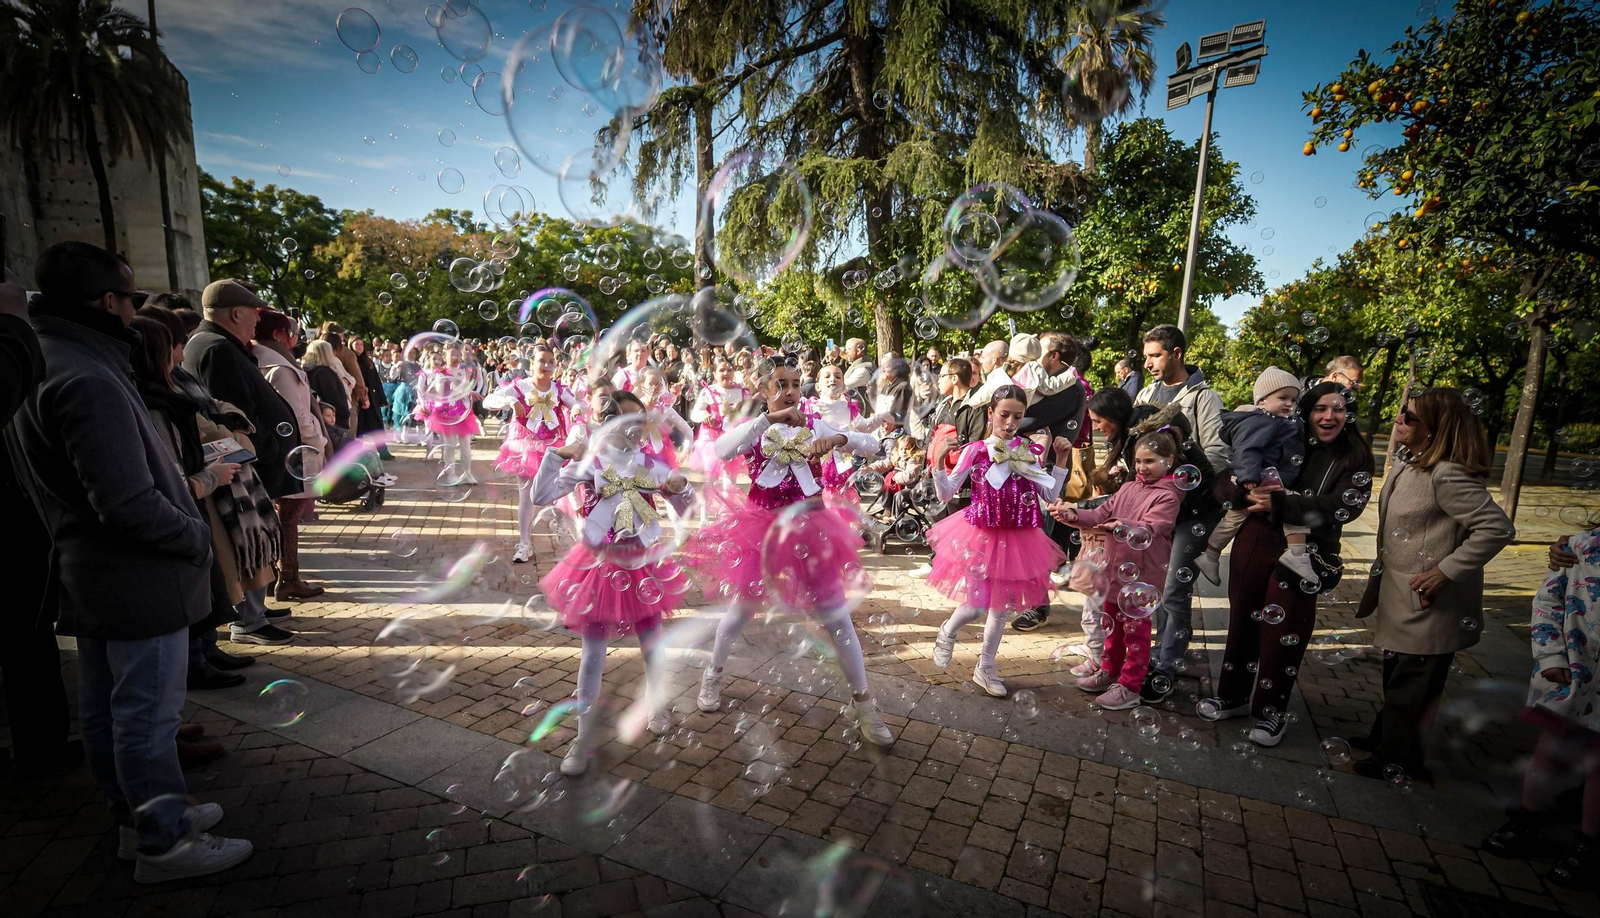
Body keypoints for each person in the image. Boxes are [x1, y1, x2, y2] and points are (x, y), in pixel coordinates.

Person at [9, 242, 252, 881]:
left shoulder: (50, 359)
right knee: (145, 715)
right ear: (108, 302)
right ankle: (163, 843)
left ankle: (137, 819)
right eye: (130, 295)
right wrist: (192, 537)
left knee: (111, 709)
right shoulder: (86, 375)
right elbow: (125, 501)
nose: (134, 308)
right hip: (133, 575)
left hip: (96, 571)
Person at [682, 360, 891, 745]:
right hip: (762, 534)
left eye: (796, 384)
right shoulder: (756, 430)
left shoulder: (815, 425)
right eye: (780, 384)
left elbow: (872, 444)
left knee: (836, 617)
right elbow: (723, 448)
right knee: (741, 610)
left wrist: (841, 440)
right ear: (764, 391)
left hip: (813, 532)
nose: (790, 390)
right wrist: (765, 420)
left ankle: (864, 704)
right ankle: (713, 673)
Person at [1195, 382, 1374, 746]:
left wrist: (1278, 506)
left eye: (1338, 409)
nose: (1329, 416)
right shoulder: (1279, 431)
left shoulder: (1354, 456)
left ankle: (1271, 712)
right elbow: (1223, 481)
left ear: (1348, 414)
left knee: (1282, 633)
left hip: (1303, 554)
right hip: (1255, 542)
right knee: (1243, 620)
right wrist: (1243, 494)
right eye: (1320, 408)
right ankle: (1232, 696)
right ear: (1306, 412)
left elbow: (1345, 506)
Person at [528, 392, 693, 775]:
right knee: (593, 652)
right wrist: (558, 454)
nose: (633, 428)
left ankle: (657, 703)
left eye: (639, 420)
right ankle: (582, 738)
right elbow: (540, 494)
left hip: (642, 562)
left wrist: (680, 488)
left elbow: (685, 505)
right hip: (599, 563)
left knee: (652, 641)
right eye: (623, 420)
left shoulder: (652, 465)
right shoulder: (591, 463)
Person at [1354, 387, 1513, 780]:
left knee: (1414, 681)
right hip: (1402, 591)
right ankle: (1385, 737)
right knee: (1399, 673)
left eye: (1410, 418)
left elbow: (1497, 528)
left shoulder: (1447, 473)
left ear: (1435, 429)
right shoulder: (1413, 463)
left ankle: (1397, 758)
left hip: (1427, 598)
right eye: (1400, 413)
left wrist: (1446, 571)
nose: (1399, 421)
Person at [927, 386, 1071, 697]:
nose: (1010, 421)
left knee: (1001, 608)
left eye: (1017, 416)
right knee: (976, 605)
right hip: (982, 535)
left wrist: (1060, 460)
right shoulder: (976, 450)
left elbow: (1049, 493)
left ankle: (986, 668)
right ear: (991, 413)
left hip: (1019, 536)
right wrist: (939, 463)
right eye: (1004, 414)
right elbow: (945, 494)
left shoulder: (1028, 451)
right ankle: (947, 632)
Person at [1482, 516, 1600, 888]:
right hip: (1571, 680)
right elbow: (1548, 602)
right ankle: (1528, 819)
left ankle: (1587, 844)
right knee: (1549, 753)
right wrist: (1551, 657)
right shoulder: (1582, 547)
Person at [183, 281, 297, 646]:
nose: (256, 322)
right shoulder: (216, 348)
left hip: (249, 459)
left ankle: (257, 608)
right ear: (235, 313)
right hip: (241, 462)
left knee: (258, 535)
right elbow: (233, 412)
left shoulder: (223, 344)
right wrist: (262, 444)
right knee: (248, 536)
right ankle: (249, 617)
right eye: (254, 314)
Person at [0, 265, 80, 777]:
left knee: (30, 640)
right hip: (16, 529)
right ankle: (38, 746)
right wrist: (11, 325)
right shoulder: (58, 367)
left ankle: (43, 741)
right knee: (23, 640)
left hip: (26, 525)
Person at [1051, 424, 1185, 711]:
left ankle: (1130, 686)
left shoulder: (1168, 495)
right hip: (1115, 572)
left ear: (1169, 461)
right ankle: (1110, 672)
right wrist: (1072, 513)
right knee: (1110, 628)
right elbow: (1100, 513)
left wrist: (1123, 526)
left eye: (1150, 461)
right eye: (1138, 461)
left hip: (1143, 578)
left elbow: (1154, 526)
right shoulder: (1127, 487)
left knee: (1136, 634)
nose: (1142, 467)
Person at [1134, 324, 1227, 702]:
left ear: (1176, 354)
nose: (1148, 363)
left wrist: (1181, 476)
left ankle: (1167, 665)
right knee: (1153, 588)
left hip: (1192, 510)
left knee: (1174, 590)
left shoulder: (1203, 397)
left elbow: (1218, 453)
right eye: (1145, 356)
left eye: (1155, 355)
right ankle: (1155, 656)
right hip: (1155, 509)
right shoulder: (1144, 392)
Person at [1194, 367, 1315, 586]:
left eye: (1294, 399)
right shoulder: (1260, 421)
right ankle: (1297, 554)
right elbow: (1247, 450)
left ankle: (1210, 554)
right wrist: (1248, 476)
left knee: (1234, 517)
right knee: (1293, 503)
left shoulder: (1275, 420)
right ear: (1262, 400)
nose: (1289, 404)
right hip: (1257, 477)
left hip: (1255, 476)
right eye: (1283, 398)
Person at [1058, 386, 1140, 675]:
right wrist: (1073, 512)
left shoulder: (1131, 450)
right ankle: (1099, 659)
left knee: (1104, 613)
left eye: (1097, 421)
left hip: (1114, 552)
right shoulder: (1121, 447)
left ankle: (1103, 662)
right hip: (1100, 553)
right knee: (1095, 612)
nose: (1096, 428)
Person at [1013, 333, 1090, 632]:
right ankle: (1027, 597)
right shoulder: (1042, 383)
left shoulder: (1070, 388)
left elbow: (1028, 419)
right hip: (1030, 467)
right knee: (1027, 537)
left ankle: (1038, 606)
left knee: (1038, 539)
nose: (1033, 358)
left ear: (1055, 356)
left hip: (1048, 471)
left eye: (1040, 351)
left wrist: (1013, 414)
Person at [253, 310, 327, 601]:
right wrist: (318, 440)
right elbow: (298, 416)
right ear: (277, 335)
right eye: (291, 332)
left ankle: (276, 576)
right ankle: (288, 578)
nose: (295, 338)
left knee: (282, 518)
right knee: (287, 518)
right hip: (295, 453)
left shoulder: (261, 360)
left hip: (280, 451)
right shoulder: (280, 368)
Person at [492, 345, 580, 564]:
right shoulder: (520, 386)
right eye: (542, 360)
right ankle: (524, 543)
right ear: (531, 364)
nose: (547, 365)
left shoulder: (559, 389)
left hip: (553, 447)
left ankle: (560, 528)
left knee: (560, 492)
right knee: (526, 496)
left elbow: (578, 404)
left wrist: (578, 408)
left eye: (551, 361)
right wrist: (512, 401)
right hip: (524, 446)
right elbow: (489, 401)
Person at [415, 343, 483, 484]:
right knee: (449, 444)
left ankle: (467, 473)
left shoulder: (464, 372)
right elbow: (436, 393)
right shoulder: (440, 373)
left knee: (466, 444)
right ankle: (451, 473)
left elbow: (464, 390)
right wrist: (429, 393)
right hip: (447, 411)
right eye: (452, 354)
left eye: (458, 354)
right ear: (444, 357)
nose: (456, 357)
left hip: (463, 410)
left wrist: (472, 392)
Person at [688, 356, 749, 483]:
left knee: (731, 479)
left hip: (732, 439)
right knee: (711, 478)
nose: (726, 373)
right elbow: (695, 413)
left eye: (729, 370)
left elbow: (748, 415)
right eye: (722, 370)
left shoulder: (742, 392)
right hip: (712, 440)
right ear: (715, 374)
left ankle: (728, 501)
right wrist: (705, 415)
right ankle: (707, 501)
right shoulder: (709, 391)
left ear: (734, 373)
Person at [351, 337, 392, 458]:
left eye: (361, 344)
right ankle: (356, 453)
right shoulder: (351, 361)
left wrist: (381, 398)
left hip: (371, 399)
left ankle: (383, 452)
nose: (359, 347)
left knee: (376, 426)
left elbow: (376, 382)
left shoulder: (368, 361)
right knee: (359, 428)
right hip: (358, 399)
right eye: (356, 344)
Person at [302, 340, 350, 430]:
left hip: (317, 417)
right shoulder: (325, 373)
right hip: (333, 419)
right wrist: (345, 413)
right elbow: (333, 396)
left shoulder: (306, 372)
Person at [969, 339, 1012, 405]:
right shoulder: (1009, 377)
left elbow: (973, 403)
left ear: (994, 359)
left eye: (983, 358)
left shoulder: (998, 380)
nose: (980, 361)